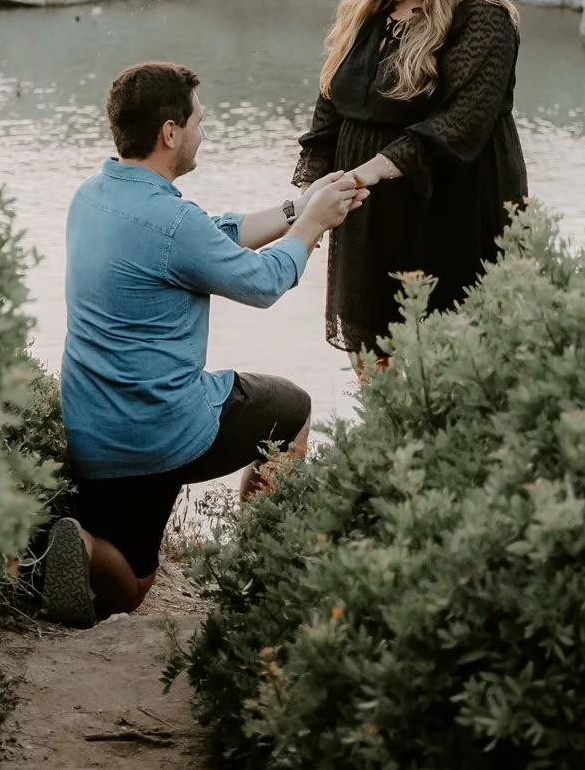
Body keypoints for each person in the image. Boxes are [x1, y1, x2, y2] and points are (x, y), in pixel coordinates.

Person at [34, 61, 366, 628]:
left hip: (94, 426)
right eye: (200, 120)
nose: (204, 132)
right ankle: (262, 566)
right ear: (170, 131)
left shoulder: (91, 196)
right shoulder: (170, 223)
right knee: (293, 409)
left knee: (133, 583)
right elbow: (261, 283)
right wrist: (312, 229)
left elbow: (203, 235)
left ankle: (79, 548)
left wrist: (296, 207)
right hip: (159, 427)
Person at [295, 0, 526, 366]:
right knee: (374, 361)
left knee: (444, 359)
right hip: (368, 217)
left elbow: (459, 125)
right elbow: (331, 105)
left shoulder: (482, 17)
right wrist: (314, 198)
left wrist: (370, 171)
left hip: (448, 211)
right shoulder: (369, 6)